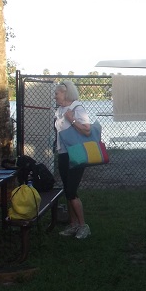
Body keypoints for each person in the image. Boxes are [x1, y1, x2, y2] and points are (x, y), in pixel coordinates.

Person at [55, 80, 92, 239]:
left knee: (71, 191)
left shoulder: (77, 108)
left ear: (65, 93)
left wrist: (72, 119)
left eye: (57, 93)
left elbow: (87, 130)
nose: (55, 96)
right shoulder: (59, 110)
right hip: (63, 154)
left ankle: (83, 226)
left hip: (76, 153)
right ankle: (73, 224)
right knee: (68, 190)